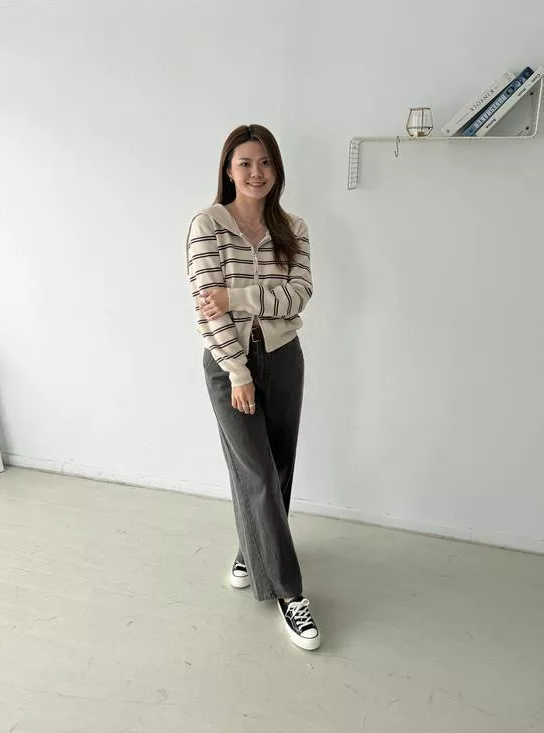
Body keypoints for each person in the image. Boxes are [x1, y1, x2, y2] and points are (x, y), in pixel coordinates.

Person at [186, 124, 320, 651]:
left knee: (279, 466)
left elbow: (299, 295)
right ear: (228, 169)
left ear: (276, 170)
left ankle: (252, 548)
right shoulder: (207, 225)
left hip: (284, 357)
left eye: (265, 163)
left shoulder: (294, 228)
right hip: (229, 364)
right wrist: (238, 372)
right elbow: (206, 305)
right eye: (245, 163)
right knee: (257, 472)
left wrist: (238, 296)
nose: (256, 173)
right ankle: (290, 592)